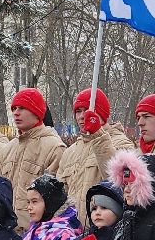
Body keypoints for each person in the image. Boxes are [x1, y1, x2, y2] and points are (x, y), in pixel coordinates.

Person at [57, 89, 135, 221]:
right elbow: (61, 193)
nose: (82, 116)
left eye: (87, 110)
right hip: (73, 233)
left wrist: (98, 135)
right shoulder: (71, 151)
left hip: (104, 232)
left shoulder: (122, 144)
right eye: (78, 111)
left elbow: (120, 184)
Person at [0, 89, 66, 231]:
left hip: (36, 233)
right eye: (14, 108)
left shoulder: (54, 147)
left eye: (22, 108)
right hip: (6, 233)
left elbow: (56, 200)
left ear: (36, 112)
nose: (16, 113)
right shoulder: (8, 149)